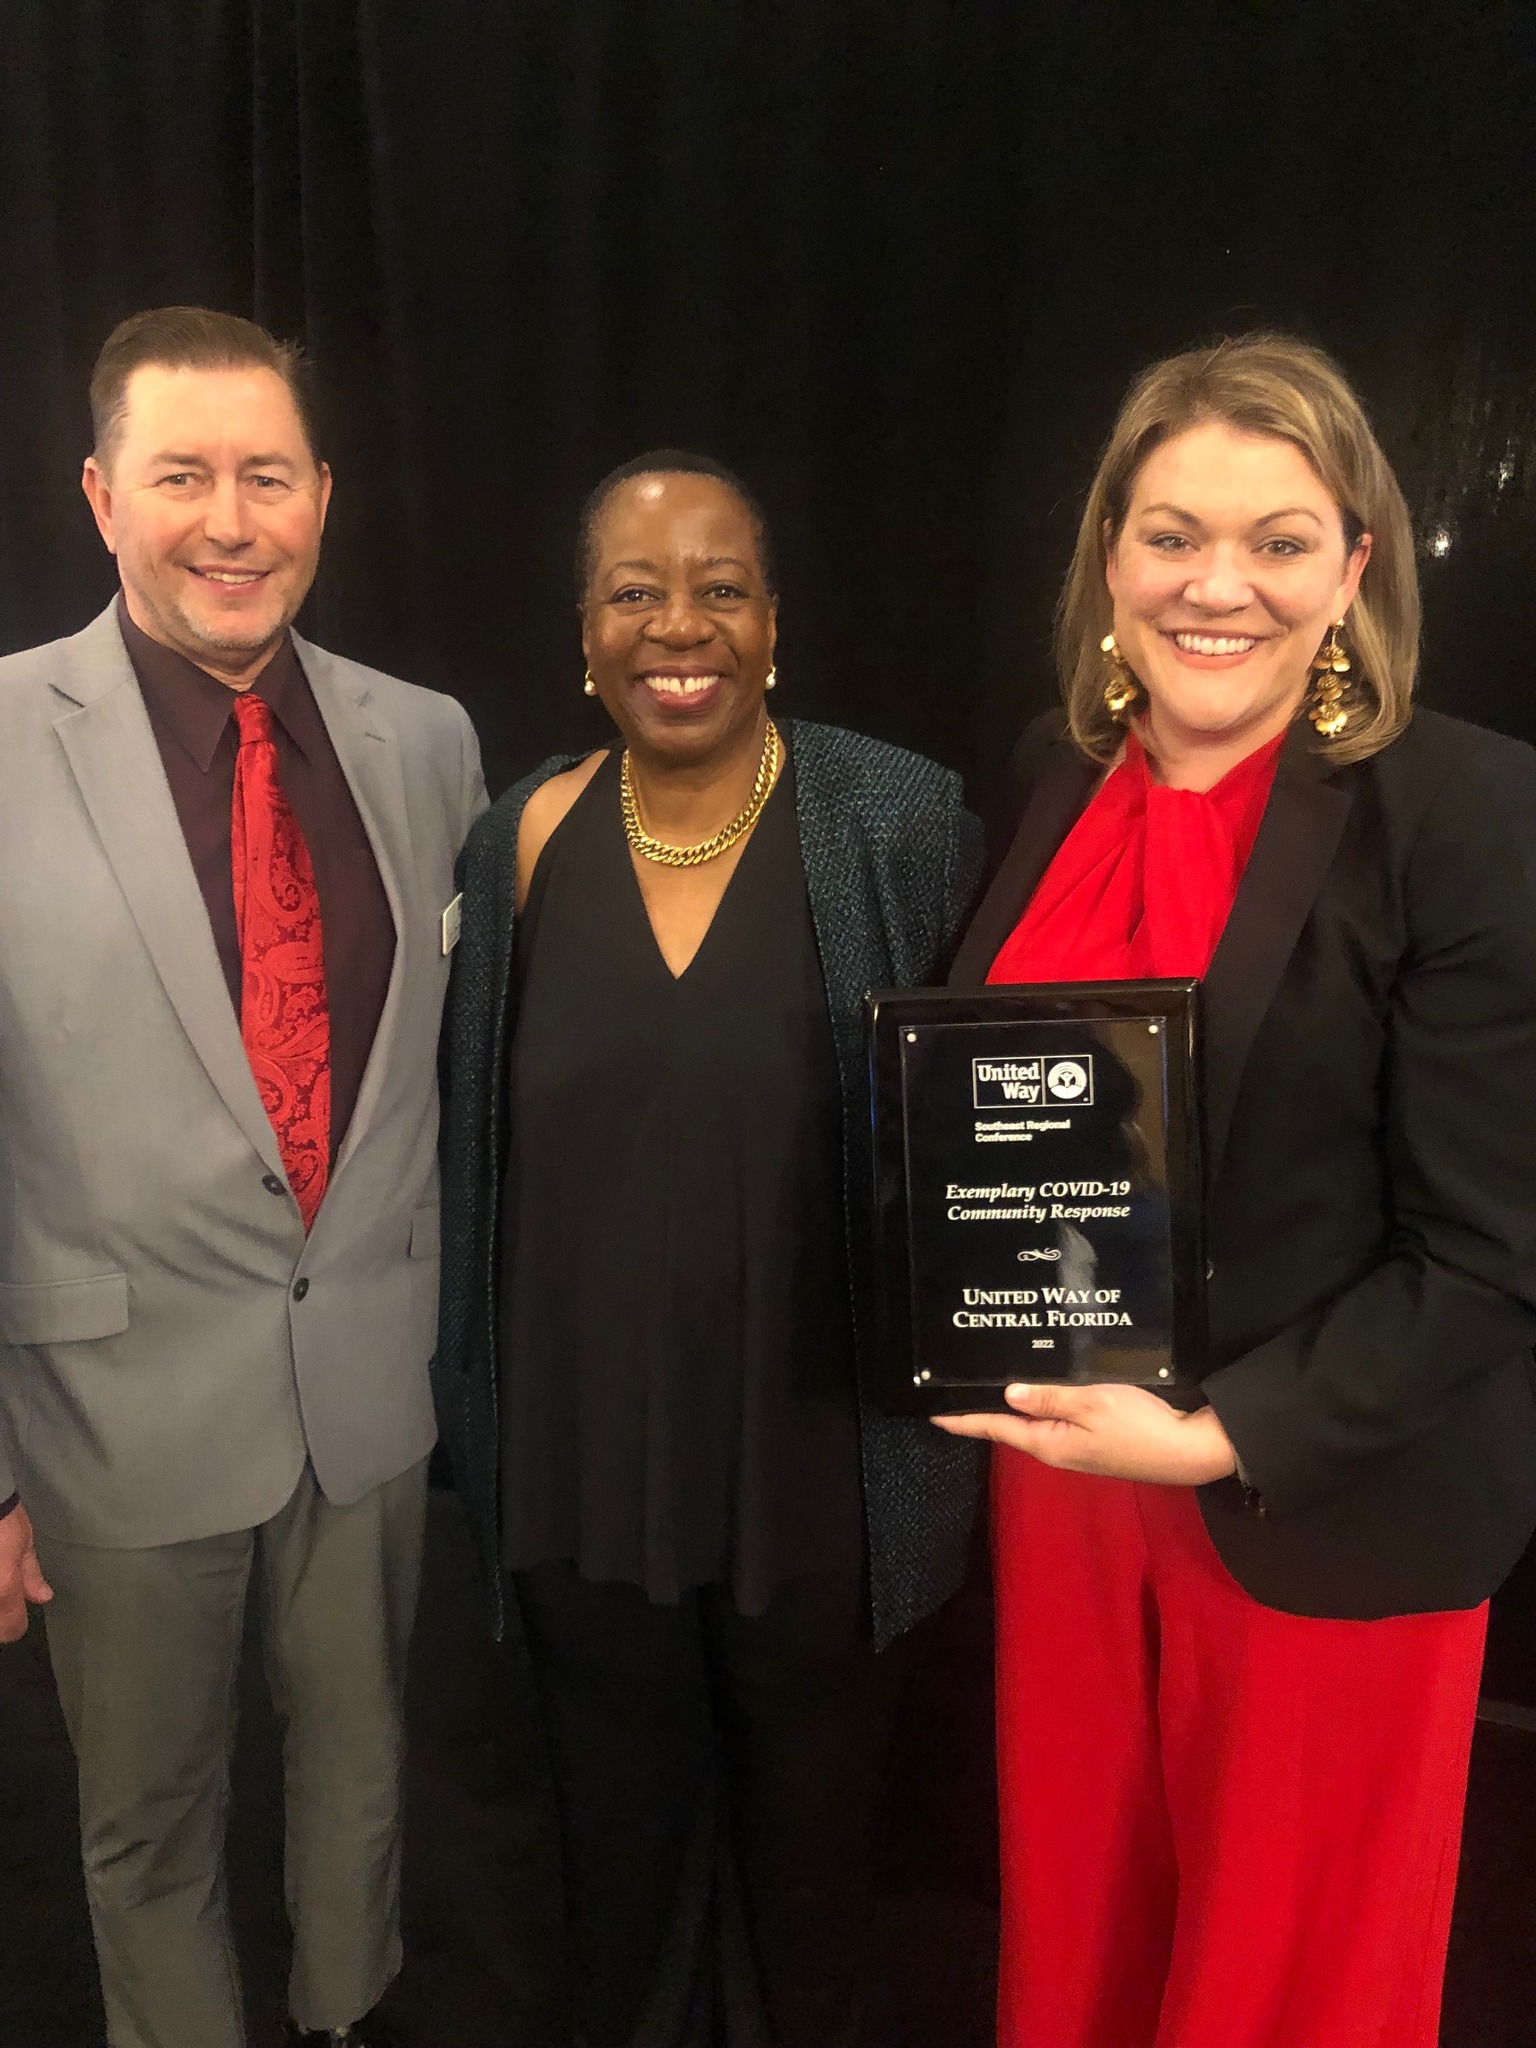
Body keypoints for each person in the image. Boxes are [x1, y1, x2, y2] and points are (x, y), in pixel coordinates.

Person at [937, 332, 1536, 2048]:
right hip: (1067, 1512)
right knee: (1086, 1941)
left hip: (1313, 1510)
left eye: (1279, 542)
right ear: (1108, 561)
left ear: (1355, 571)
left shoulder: (1463, 810)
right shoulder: (1056, 781)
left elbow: (1497, 1257)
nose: (1219, 587)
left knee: (1289, 1982)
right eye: (1171, 534)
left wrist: (1211, 1435)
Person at [434, 450, 984, 2047]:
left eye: (718, 585)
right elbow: (473, 1151)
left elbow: (982, 1128)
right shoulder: (519, 841)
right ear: (583, 637)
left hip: (820, 1468)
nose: (679, 623)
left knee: (815, 1882)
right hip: (580, 1467)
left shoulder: (894, 818)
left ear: (773, 623)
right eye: (633, 589)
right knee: (610, 1872)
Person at [0, 307, 486, 2048]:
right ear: (99, 496)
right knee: (147, 1838)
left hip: (364, 1394)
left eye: (265, 475)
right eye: (182, 475)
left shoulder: (426, 743)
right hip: (105, 1420)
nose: (229, 519)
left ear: (325, 498)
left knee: (363, 1799)